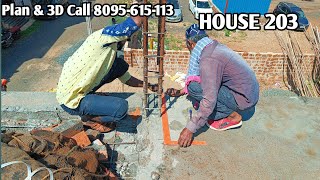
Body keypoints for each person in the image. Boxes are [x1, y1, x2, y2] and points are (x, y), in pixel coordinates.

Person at [56, 15, 157, 132]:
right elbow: (136, 22)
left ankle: (91, 104)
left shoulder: (111, 53)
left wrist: (149, 85)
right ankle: (89, 119)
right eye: (126, 38)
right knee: (121, 108)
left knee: (120, 65)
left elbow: (128, 79)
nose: (126, 41)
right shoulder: (101, 37)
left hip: (79, 92)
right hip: (71, 100)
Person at [166, 24, 259, 147]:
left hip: (243, 100)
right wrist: (180, 92)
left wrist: (190, 128)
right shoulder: (212, 47)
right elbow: (206, 78)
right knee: (196, 91)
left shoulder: (209, 58)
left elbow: (209, 98)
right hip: (246, 93)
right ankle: (220, 110)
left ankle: (232, 116)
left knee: (194, 88)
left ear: (190, 44)